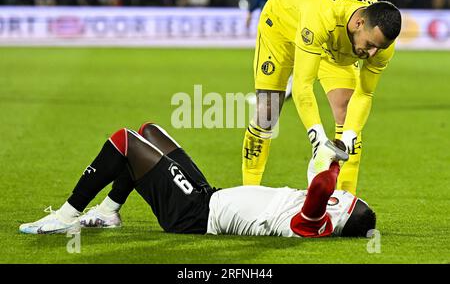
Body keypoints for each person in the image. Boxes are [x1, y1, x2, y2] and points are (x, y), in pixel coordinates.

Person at [20, 122, 375, 238]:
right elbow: (321, 183)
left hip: (193, 215)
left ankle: (66, 215)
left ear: (343, 217)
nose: (343, 197)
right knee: (148, 131)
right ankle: (111, 210)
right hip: (208, 197)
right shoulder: (322, 209)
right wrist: (337, 155)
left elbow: (321, 186)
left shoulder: (315, 224)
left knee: (124, 141)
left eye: (349, 202)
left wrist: (332, 165)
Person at [241, 0, 402, 195]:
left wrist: (349, 136)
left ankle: (346, 200)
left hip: (332, 42)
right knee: (267, 112)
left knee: (346, 116)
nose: (372, 54)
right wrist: (317, 137)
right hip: (282, 25)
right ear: (359, 24)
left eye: (379, 48)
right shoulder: (322, 14)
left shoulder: (380, 46)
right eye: (371, 45)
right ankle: (248, 194)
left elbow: (364, 94)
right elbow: (302, 85)